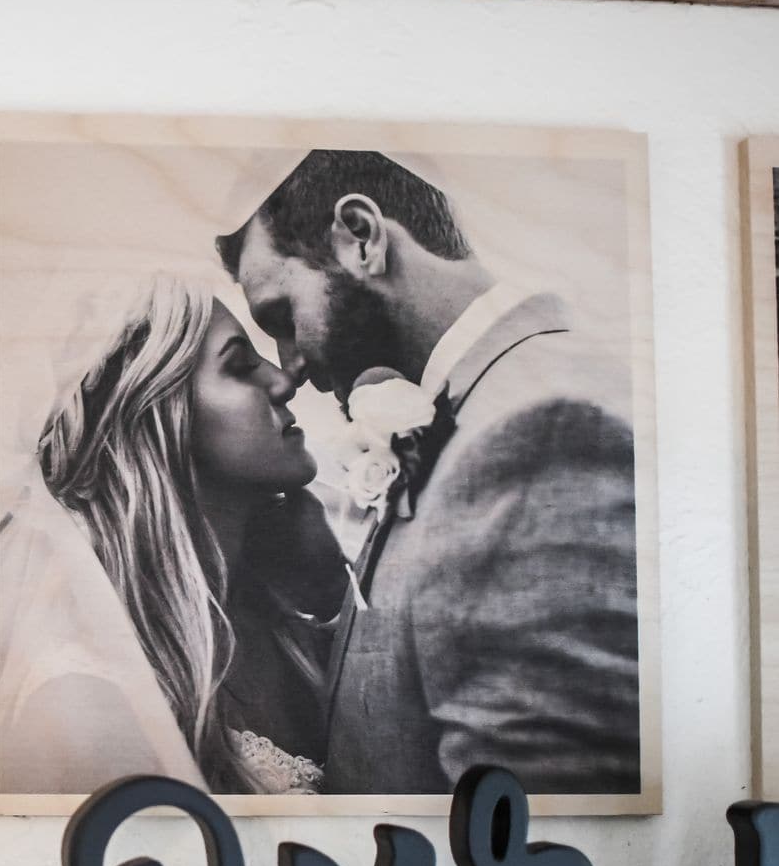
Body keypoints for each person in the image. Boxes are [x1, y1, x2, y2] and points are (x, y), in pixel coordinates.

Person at [216, 149, 640, 795]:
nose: (291, 364)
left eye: (282, 316)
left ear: (361, 237)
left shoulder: (539, 427)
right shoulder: (484, 413)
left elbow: (540, 800)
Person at [0, 273, 345, 795]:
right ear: (158, 419)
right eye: (240, 366)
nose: (283, 380)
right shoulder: (84, 704)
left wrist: (334, 587)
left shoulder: (290, 626)